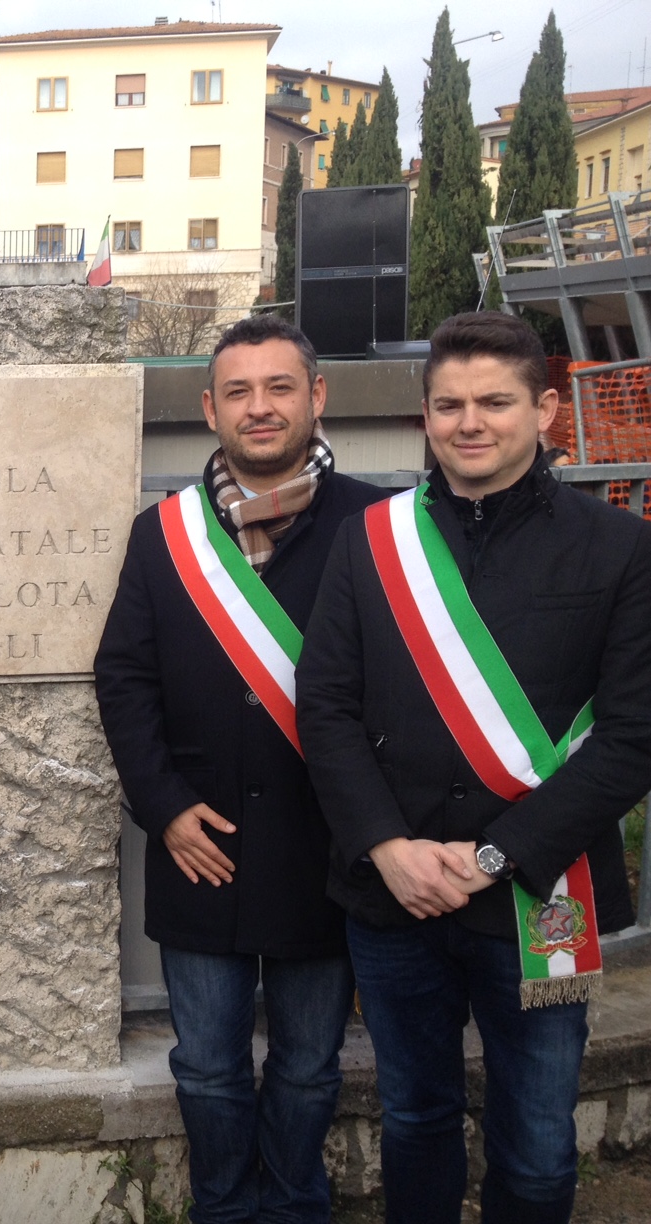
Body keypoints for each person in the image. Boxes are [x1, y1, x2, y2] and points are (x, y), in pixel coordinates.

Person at [298, 311, 651, 1224]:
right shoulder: (370, 541)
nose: (470, 422)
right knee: (415, 1121)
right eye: (449, 404)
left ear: (544, 410)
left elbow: (633, 736)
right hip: (395, 895)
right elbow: (326, 708)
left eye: (495, 401)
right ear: (425, 416)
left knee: (535, 1148)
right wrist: (387, 847)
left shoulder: (620, 547)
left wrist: (493, 859)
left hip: (540, 891)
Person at [95, 313, 386, 1222]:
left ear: (317, 397)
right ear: (209, 409)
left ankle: (294, 1204)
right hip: (202, 845)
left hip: (327, 852)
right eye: (239, 392)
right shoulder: (163, 534)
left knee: (307, 1066)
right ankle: (224, 1206)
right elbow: (125, 675)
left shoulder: (381, 523)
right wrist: (164, 807)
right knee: (209, 1067)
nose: (260, 409)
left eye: (279, 388)